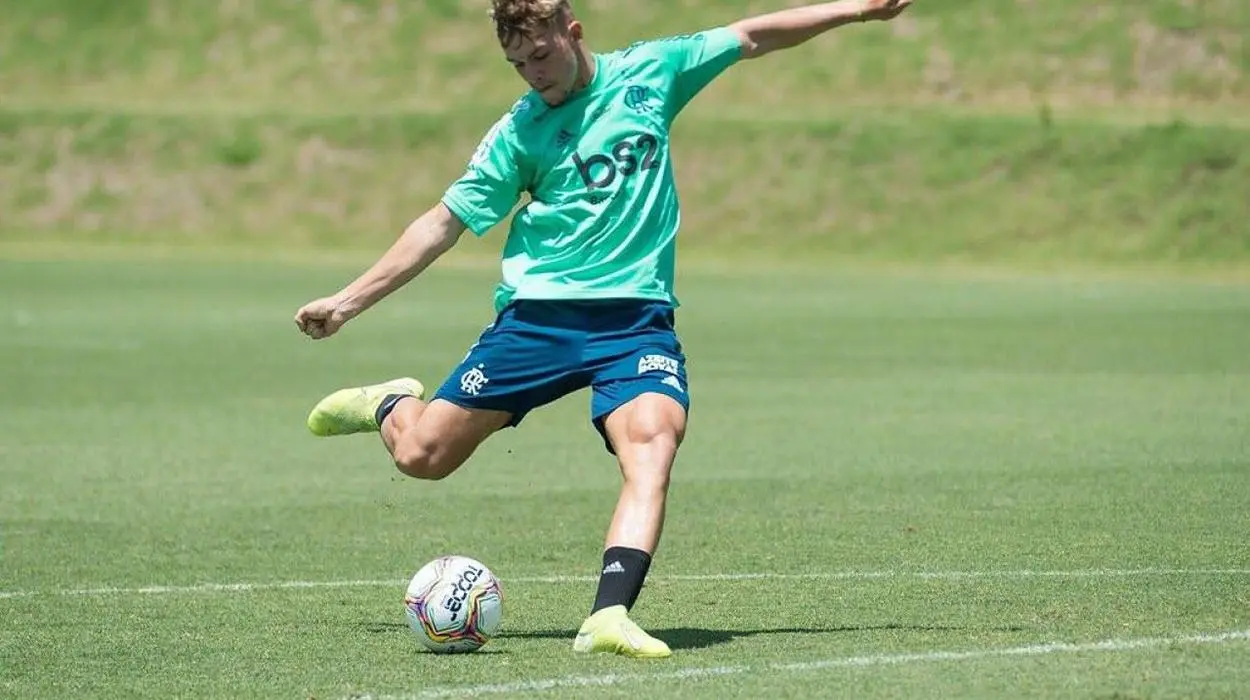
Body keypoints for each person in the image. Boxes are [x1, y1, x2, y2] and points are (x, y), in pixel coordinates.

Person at [294, 0, 915, 659]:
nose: (532, 73)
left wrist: (861, 10)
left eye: (541, 56)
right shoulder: (520, 133)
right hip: (538, 320)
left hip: (635, 324)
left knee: (653, 443)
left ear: (573, 32)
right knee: (423, 458)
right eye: (516, 64)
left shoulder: (652, 71)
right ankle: (390, 403)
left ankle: (609, 614)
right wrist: (348, 301)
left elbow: (751, 35)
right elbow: (440, 224)